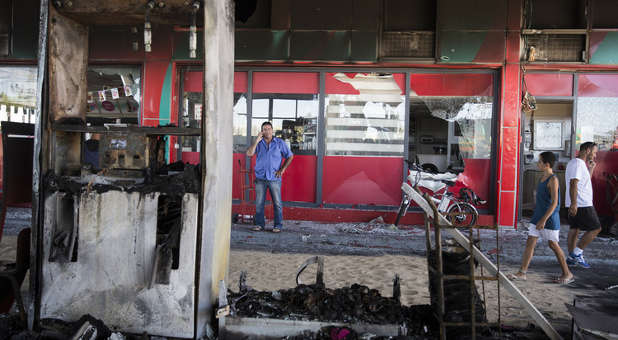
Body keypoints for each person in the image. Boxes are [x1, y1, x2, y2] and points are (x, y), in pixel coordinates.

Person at [510, 152, 573, 284]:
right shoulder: (541, 178)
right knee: (530, 243)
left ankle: (567, 274)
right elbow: (539, 201)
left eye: (539, 161)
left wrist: (543, 220)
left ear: (547, 165)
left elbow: (555, 203)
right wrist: (521, 206)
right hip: (537, 217)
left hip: (549, 219)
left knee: (553, 245)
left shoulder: (553, 179)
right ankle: (522, 272)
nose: (537, 163)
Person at [246, 121, 294, 233]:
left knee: (277, 203)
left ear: (272, 130)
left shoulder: (279, 143)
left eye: (269, 129)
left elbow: (290, 156)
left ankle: (278, 225)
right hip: (260, 178)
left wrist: (282, 169)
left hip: (274, 179)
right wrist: (257, 140)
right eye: (264, 129)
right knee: (259, 203)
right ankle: (259, 224)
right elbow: (249, 153)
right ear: (262, 131)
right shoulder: (259, 143)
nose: (267, 131)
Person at [565, 142, 601, 268]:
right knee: (596, 228)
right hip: (581, 203)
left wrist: (591, 169)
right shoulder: (577, 164)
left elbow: (584, 183)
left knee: (575, 229)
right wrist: (574, 203)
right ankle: (576, 253)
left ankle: (571, 257)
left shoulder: (578, 164)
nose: (595, 155)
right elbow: (573, 183)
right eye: (594, 152)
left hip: (577, 202)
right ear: (587, 150)